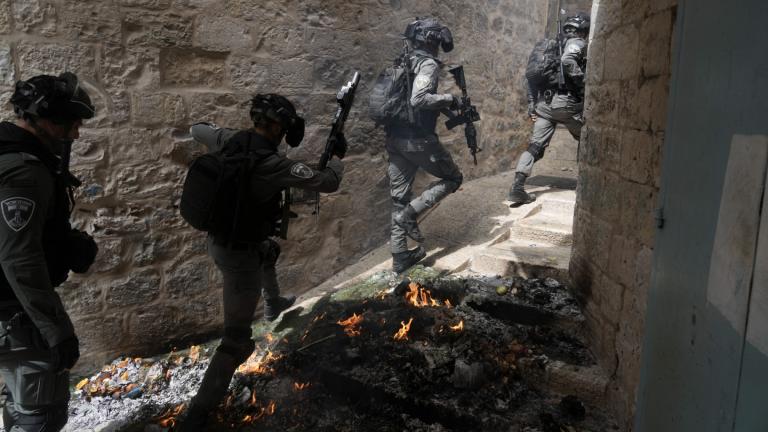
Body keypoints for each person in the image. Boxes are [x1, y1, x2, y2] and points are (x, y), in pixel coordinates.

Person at [179, 94, 346, 430]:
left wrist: (212, 133)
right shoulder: (274, 166)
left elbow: (198, 130)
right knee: (236, 340)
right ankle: (196, 415)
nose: (286, 133)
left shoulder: (230, 139)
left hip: (220, 241)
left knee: (267, 251)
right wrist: (338, 156)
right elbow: (328, 182)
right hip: (238, 257)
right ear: (277, 127)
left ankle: (273, 304)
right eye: (284, 127)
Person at [0, 72, 98, 431]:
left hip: (10, 309)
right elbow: (19, 256)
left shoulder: (9, 151)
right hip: (14, 312)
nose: (76, 133)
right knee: (41, 414)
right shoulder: (24, 170)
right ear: (44, 118)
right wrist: (57, 331)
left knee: (21, 402)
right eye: (70, 123)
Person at [386, 17, 464, 273]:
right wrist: (450, 99)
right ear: (432, 41)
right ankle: (412, 214)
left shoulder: (402, 61)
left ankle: (400, 256)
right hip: (417, 139)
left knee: (399, 199)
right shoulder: (427, 64)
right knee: (453, 178)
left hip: (395, 138)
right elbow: (419, 99)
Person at [508, 13, 590, 205]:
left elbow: (530, 76)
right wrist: (583, 84)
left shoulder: (550, 46)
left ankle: (517, 187)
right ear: (584, 30)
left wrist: (531, 106)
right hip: (567, 105)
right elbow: (568, 60)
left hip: (544, 105)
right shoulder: (576, 42)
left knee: (535, 146)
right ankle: (587, 186)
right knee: (587, 137)